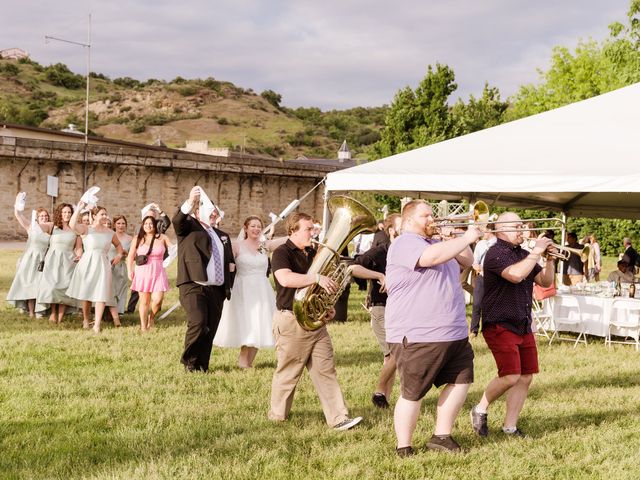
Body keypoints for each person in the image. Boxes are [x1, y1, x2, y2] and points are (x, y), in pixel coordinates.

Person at [385, 200, 481, 456]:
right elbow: (430, 259)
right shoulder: (405, 242)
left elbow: (468, 260)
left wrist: (460, 237)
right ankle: (403, 445)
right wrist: (467, 236)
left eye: (432, 215)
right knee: (413, 393)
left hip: (453, 332)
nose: (432, 219)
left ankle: (442, 435)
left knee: (460, 381)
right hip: (418, 333)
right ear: (407, 221)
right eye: (425, 216)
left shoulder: (437, 242)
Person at [268, 212, 362, 431]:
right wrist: (316, 277)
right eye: (309, 229)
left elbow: (319, 289)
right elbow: (285, 278)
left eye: (314, 228)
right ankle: (277, 416)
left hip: (314, 321)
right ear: (293, 230)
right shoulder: (282, 252)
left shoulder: (313, 253)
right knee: (289, 372)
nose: (314, 232)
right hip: (291, 320)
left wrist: (326, 308)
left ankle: (338, 418)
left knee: (326, 370)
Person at [470, 212, 556, 439]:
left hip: (522, 322)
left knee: (526, 376)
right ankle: (479, 408)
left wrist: (549, 259)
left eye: (522, 226)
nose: (522, 230)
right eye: (517, 226)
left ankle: (510, 426)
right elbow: (516, 275)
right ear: (501, 230)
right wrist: (537, 252)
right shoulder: (495, 254)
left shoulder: (525, 254)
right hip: (499, 322)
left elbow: (545, 282)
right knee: (510, 375)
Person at [173, 186, 235, 372]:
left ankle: (203, 365)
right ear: (197, 212)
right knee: (198, 322)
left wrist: (231, 270)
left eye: (215, 211)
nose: (213, 213)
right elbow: (177, 220)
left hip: (216, 289)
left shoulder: (222, 235)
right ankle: (189, 362)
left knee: (210, 327)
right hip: (194, 284)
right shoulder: (189, 227)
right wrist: (190, 202)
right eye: (209, 210)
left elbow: (229, 260)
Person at [213, 216, 286, 368]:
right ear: (245, 228)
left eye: (259, 226)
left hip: (262, 289)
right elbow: (226, 264)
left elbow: (287, 240)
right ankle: (243, 361)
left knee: (260, 324)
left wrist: (299, 233)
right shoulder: (236, 246)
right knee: (248, 324)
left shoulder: (264, 246)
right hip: (243, 291)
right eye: (253, 226)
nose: (256, 229)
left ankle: (248, 363)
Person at [349, 213, 401, 409]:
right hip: (381, 308)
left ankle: (383, 398)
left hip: (402, 310)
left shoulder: (409, 251)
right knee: (395, 354)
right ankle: (379, 392)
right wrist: (379, 275)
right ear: (392, 230)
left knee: (392, 355)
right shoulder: (381, 251)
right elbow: (352, 268)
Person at [67, 203, 125, 332]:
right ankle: (86, 319)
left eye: (106, 214)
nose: (105, 216)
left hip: (103, 264)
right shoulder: (86, 229)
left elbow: (119, 247)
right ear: (94, 216)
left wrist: (119, 255)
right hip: (88, 263)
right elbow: (72, 225)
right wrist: (78, 209)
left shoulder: (110, 232)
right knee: (87, 293)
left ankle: (97, 324)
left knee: (101, 293)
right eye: (102, 214)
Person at [36, 203, 82, 323]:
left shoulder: (75, 229)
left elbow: (78, 247)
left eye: (69, 212)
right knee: (52, 286)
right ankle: (52, 313)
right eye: (64, 212)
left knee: (64, 287)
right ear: (59, 214)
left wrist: (79, 255)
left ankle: (61, 316)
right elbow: (40, 227)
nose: (67, 215)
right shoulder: (52, 226)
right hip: (53, 260)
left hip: (68, 261)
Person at [6, 193, 50, 317]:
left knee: (41, 284)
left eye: (46, 216)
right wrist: (18, 203)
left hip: (44, 259)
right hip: (31, 259)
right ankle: (31, 311)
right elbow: (18, 215)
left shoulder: (50, 229)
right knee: (31, 283)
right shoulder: (31, 227)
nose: (44, 217)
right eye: (41, 216)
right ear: (37, 218)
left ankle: (40, 309)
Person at [127, 215, 172, 332]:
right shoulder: (138, 238)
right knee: (144, 301)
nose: (148, 226)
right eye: (146, 223)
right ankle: (143, 326)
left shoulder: (162, 238)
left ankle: (151, 317)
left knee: (158, 300)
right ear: (142, 225)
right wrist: (129, 270)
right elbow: (131, 256)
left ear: (155, 225)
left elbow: (173, 249)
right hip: (142, 272)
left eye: (151, 223)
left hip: (158, 271)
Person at [470, 228, 496, 336]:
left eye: (484, 230)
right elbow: (474, 261)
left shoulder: (498, 244)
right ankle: (473, 330)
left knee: (490, 305)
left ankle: (487, 329)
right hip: (481, 277)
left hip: (493, 278)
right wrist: (477, 267)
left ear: (490, 231)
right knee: (476, 304)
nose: (482, 233)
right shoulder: (480, 244)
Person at [112, 215, 133, 314]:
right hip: (110, 265)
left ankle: (120, 311)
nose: (121, 226)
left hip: (121, 266)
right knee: (111, 288)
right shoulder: (110, 235)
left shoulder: (130, 239)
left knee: (121, 288)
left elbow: (133, 256)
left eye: (123, 223)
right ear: (114, 225)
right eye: (118, 223)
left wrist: (126, 253)